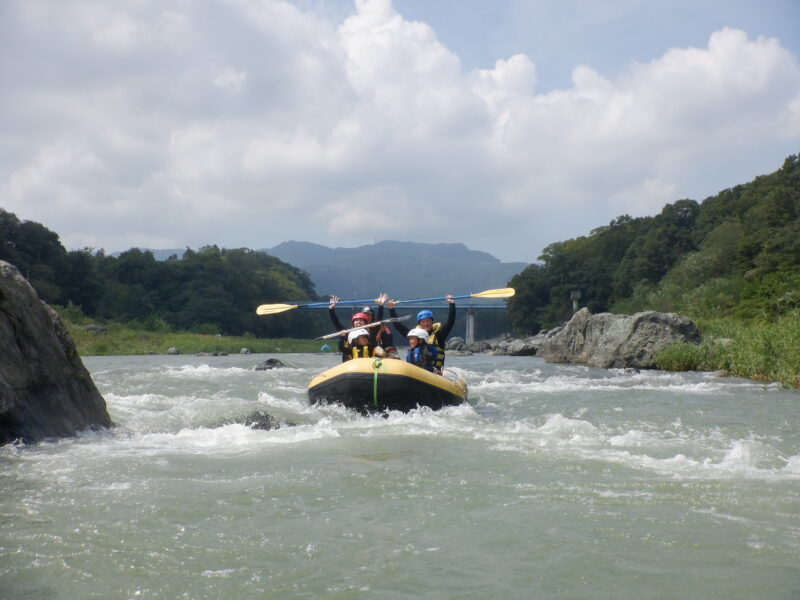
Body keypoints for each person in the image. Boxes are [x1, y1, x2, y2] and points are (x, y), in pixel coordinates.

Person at [388, 295, 455, 373]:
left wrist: (452, 305)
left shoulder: (439, 334)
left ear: (432, 322)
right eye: (423, 321)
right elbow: (398, 326)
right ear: (419, 323)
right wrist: (391, 309)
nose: (426, 324)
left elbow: (450, 322)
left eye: (428, 321)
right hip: (416, 371)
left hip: (434, 372)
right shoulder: (414, 335)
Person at [329, 294, 386, 362]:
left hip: (369, 363)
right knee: (345, 353)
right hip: (352, 364)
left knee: (378, 350)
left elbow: (378, 321)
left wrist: (381, 306)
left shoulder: (370, 334)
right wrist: (331, 310)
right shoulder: (349, 334)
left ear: (366, 323)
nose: (358, 322)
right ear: (353, 324)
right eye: (356, 320)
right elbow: (337, 324)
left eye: (361, 320)